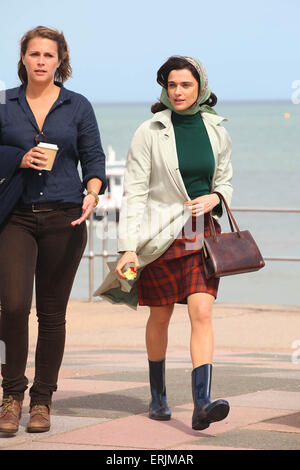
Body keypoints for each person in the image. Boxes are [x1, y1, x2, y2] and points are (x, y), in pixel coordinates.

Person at [95, 56, 232, 431]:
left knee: (201, 312)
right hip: (160, 237)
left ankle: (202, 402)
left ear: (200, 86)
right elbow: (135, 192)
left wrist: (216, 197)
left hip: (202, 235)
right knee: (160, 315)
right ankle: (158, 395)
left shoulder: (217, 129)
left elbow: (226, 179)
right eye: (172, 85)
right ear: (164, 88)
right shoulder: (149, 131)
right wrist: (127, 246)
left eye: (185, 85)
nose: (178, 91)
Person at [0, 26, 106, 434]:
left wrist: (93, 193)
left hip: (65, 215)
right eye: (34, 54)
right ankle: (11, 395)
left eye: (49, 54)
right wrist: (18, 158)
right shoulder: (5, 104)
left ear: (61, 60)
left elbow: (94, 157)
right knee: (11, 307)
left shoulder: (77, 106)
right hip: (15, 216)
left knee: (52, 313)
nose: (41, 61)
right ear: (23, 59)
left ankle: (42, 400)